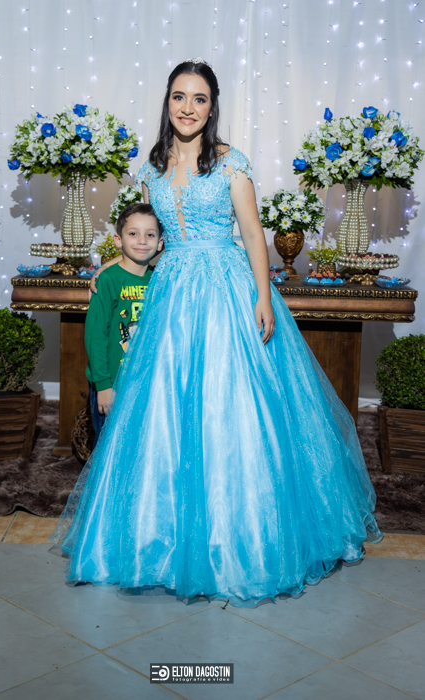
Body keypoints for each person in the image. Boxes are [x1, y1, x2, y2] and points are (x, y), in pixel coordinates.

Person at [49, 59, 383, 607]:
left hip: (227, 290)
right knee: (166, 409)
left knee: (232, 406)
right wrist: (111, 265)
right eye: (179, 96)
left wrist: (262, 296)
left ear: (212, 106)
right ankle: (156, 538)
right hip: (171, 294)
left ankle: (240, 541)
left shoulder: (231, 162)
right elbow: (144, 232)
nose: (188, 107)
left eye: (199, 98)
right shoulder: (151, 167)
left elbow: (252, 234)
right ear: (167, 102)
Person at [85, 203, 163, 448]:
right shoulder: (108, 280)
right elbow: (96, 335)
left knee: (138, 447)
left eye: (150, 235)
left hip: (144, 384)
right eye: (133, 233)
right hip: (112, 384)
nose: (142, 241)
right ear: (118, 240)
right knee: (108, 447)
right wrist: (103, 385)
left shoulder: (160, 281)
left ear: (160, 243)